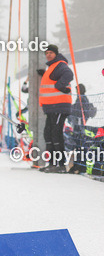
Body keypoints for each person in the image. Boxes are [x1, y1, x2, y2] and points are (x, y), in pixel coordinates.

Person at [38, 44, 73, 172]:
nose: (48, 55)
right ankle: (53, 163)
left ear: (56, 54)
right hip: (52, 108)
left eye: (51, 53)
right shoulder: (52, 66)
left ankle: (61, 164)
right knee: (48, 133)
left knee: (56, 134)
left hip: (59, 106)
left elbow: (68, 74)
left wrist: (60, 85)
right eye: (46, 53)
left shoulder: (60, 64)